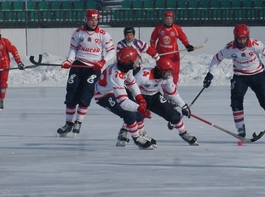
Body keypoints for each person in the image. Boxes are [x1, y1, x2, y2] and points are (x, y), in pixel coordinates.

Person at [203, 23, 265, 142]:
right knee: (236, 102)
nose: (241, 41)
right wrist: (210, 74)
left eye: (244, 38)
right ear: (235, 38)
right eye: (239, 39)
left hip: (258, 75)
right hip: (240, 77)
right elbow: (216, 59)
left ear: (248, 37)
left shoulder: (256, 44)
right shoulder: (229, 48)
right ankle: (240, 129)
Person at [56, 9, 115, 137]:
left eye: (96, 19)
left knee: (86, 93)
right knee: (71, 92)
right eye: (91, 19)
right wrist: (69, 61)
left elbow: (112, 52)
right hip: (78, 65)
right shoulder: (78, 33)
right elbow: (73, 49)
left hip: (94, 67)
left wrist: (102, 62)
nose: (94, 22)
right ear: (86, 20)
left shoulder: (104, 35)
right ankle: (68, 124)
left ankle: (78, 122)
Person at [126, 57, 198, 146]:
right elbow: (130, 88)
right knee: (138, 116)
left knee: (174, 115)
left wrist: (183, 106)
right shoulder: (144, 75)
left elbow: (172, 93)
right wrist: (134, 102)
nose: (170, 74)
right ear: (161, 70)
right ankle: (141, 135)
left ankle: (184, 133)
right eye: (168, 72)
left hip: (155, 97)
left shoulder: (167, 78)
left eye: (171, 72)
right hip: (139, 96)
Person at [94, 46, 155, 149]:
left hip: (114, 89)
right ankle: (137, 138)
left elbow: (131, 83)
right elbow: (123, 102)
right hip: (103, 95)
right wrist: (139, 107)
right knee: (128, 112)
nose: (137, 61)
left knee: (137, 112)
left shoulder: (127, 68)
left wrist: (140, 98)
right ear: (129, 62)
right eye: (135, 59)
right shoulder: (116, 76)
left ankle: (140, 134)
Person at [150, 10, 194, 84]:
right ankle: (160, 91)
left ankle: (173, 90)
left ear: (173, 19)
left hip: (174, 56)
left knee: (175, 73)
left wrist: (187, 45)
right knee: (161, 74)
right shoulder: (158, 28)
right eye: (167, 18)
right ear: (164, 19)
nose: (168, 20)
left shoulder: (177, 28)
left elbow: (183, 38)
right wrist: (154, 51)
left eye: (170, 18)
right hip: (162, 56)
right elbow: (152, 40)